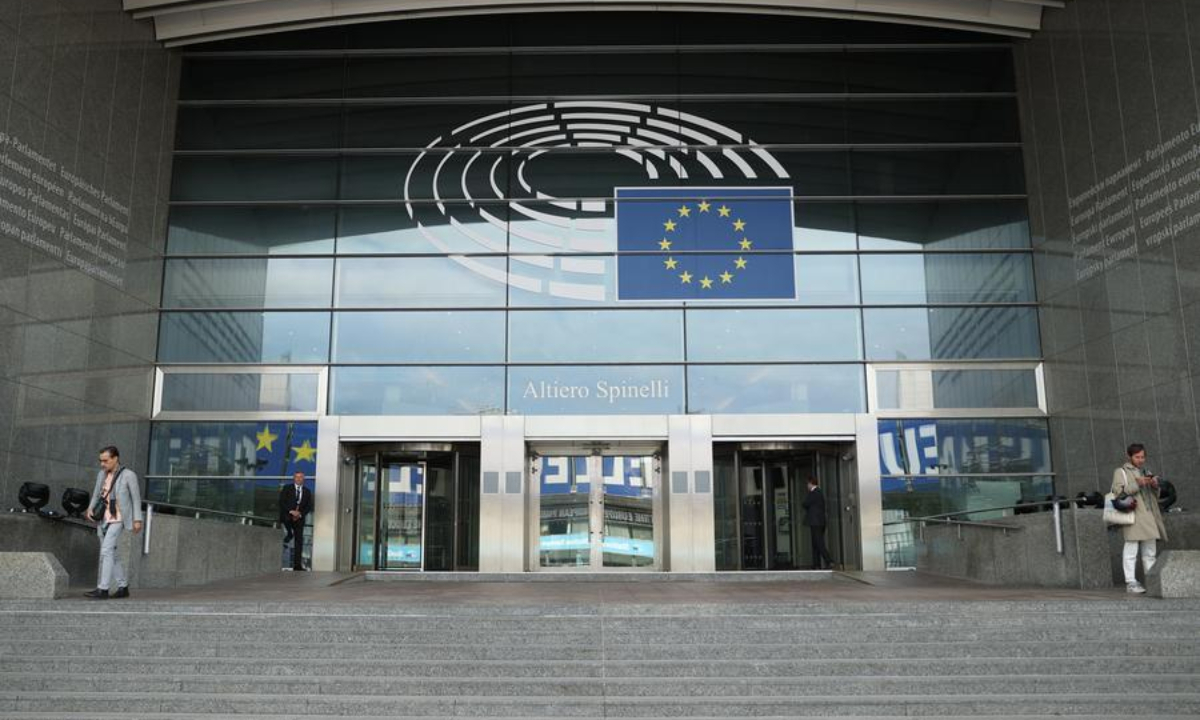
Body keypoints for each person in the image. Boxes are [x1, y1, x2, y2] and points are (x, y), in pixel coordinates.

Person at [83, 446, 143, 599]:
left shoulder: (129, 475)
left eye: (105, 460)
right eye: (100, 461)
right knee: (112, 553)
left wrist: (137, 519)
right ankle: (123, 587)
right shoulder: (101, 474)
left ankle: (103, 589)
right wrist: (90, 508)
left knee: (106, 551)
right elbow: (96, 494)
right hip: (103, 518)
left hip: (119, 518)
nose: (102, 464)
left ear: (115, 458)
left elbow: (136, 498)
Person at [1112, 443, 1169, 594]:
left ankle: (1151, 581)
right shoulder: (1121, 471)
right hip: (1134, 515)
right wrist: (1137, 483)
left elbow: (1154, 496)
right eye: (1137, 457)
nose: (1140, 460)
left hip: (1150, 515)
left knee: (1150, 552)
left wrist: (1155, 485)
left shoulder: (1146, 471)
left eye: (1143, 457)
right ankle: (1131, 582)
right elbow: (1118, 492)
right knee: (1131, 549)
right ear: (1129, 456)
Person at [278, 471, 313, 571]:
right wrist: (291, 511)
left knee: (299, 541)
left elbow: (308, 506)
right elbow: (281, 502)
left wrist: (300, 514)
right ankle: (289, 534)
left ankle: (297, 566)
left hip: (299, 519)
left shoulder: (307, 491)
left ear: (303, 479)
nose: (298, 479)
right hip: (287, 516)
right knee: (287, 527)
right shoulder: (287, 488)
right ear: (294, 478)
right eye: (296, 477)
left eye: (301, 477)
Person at [800, 476, 834, 570]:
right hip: (820, 522)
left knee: (818, 543)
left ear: (811, 483)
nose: (807, 486)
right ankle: (816, 564)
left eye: (807, 484)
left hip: (816, 522)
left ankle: (829, 561)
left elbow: (805, 503)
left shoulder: (814, 492)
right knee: (815, 543)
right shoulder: (819, 492)